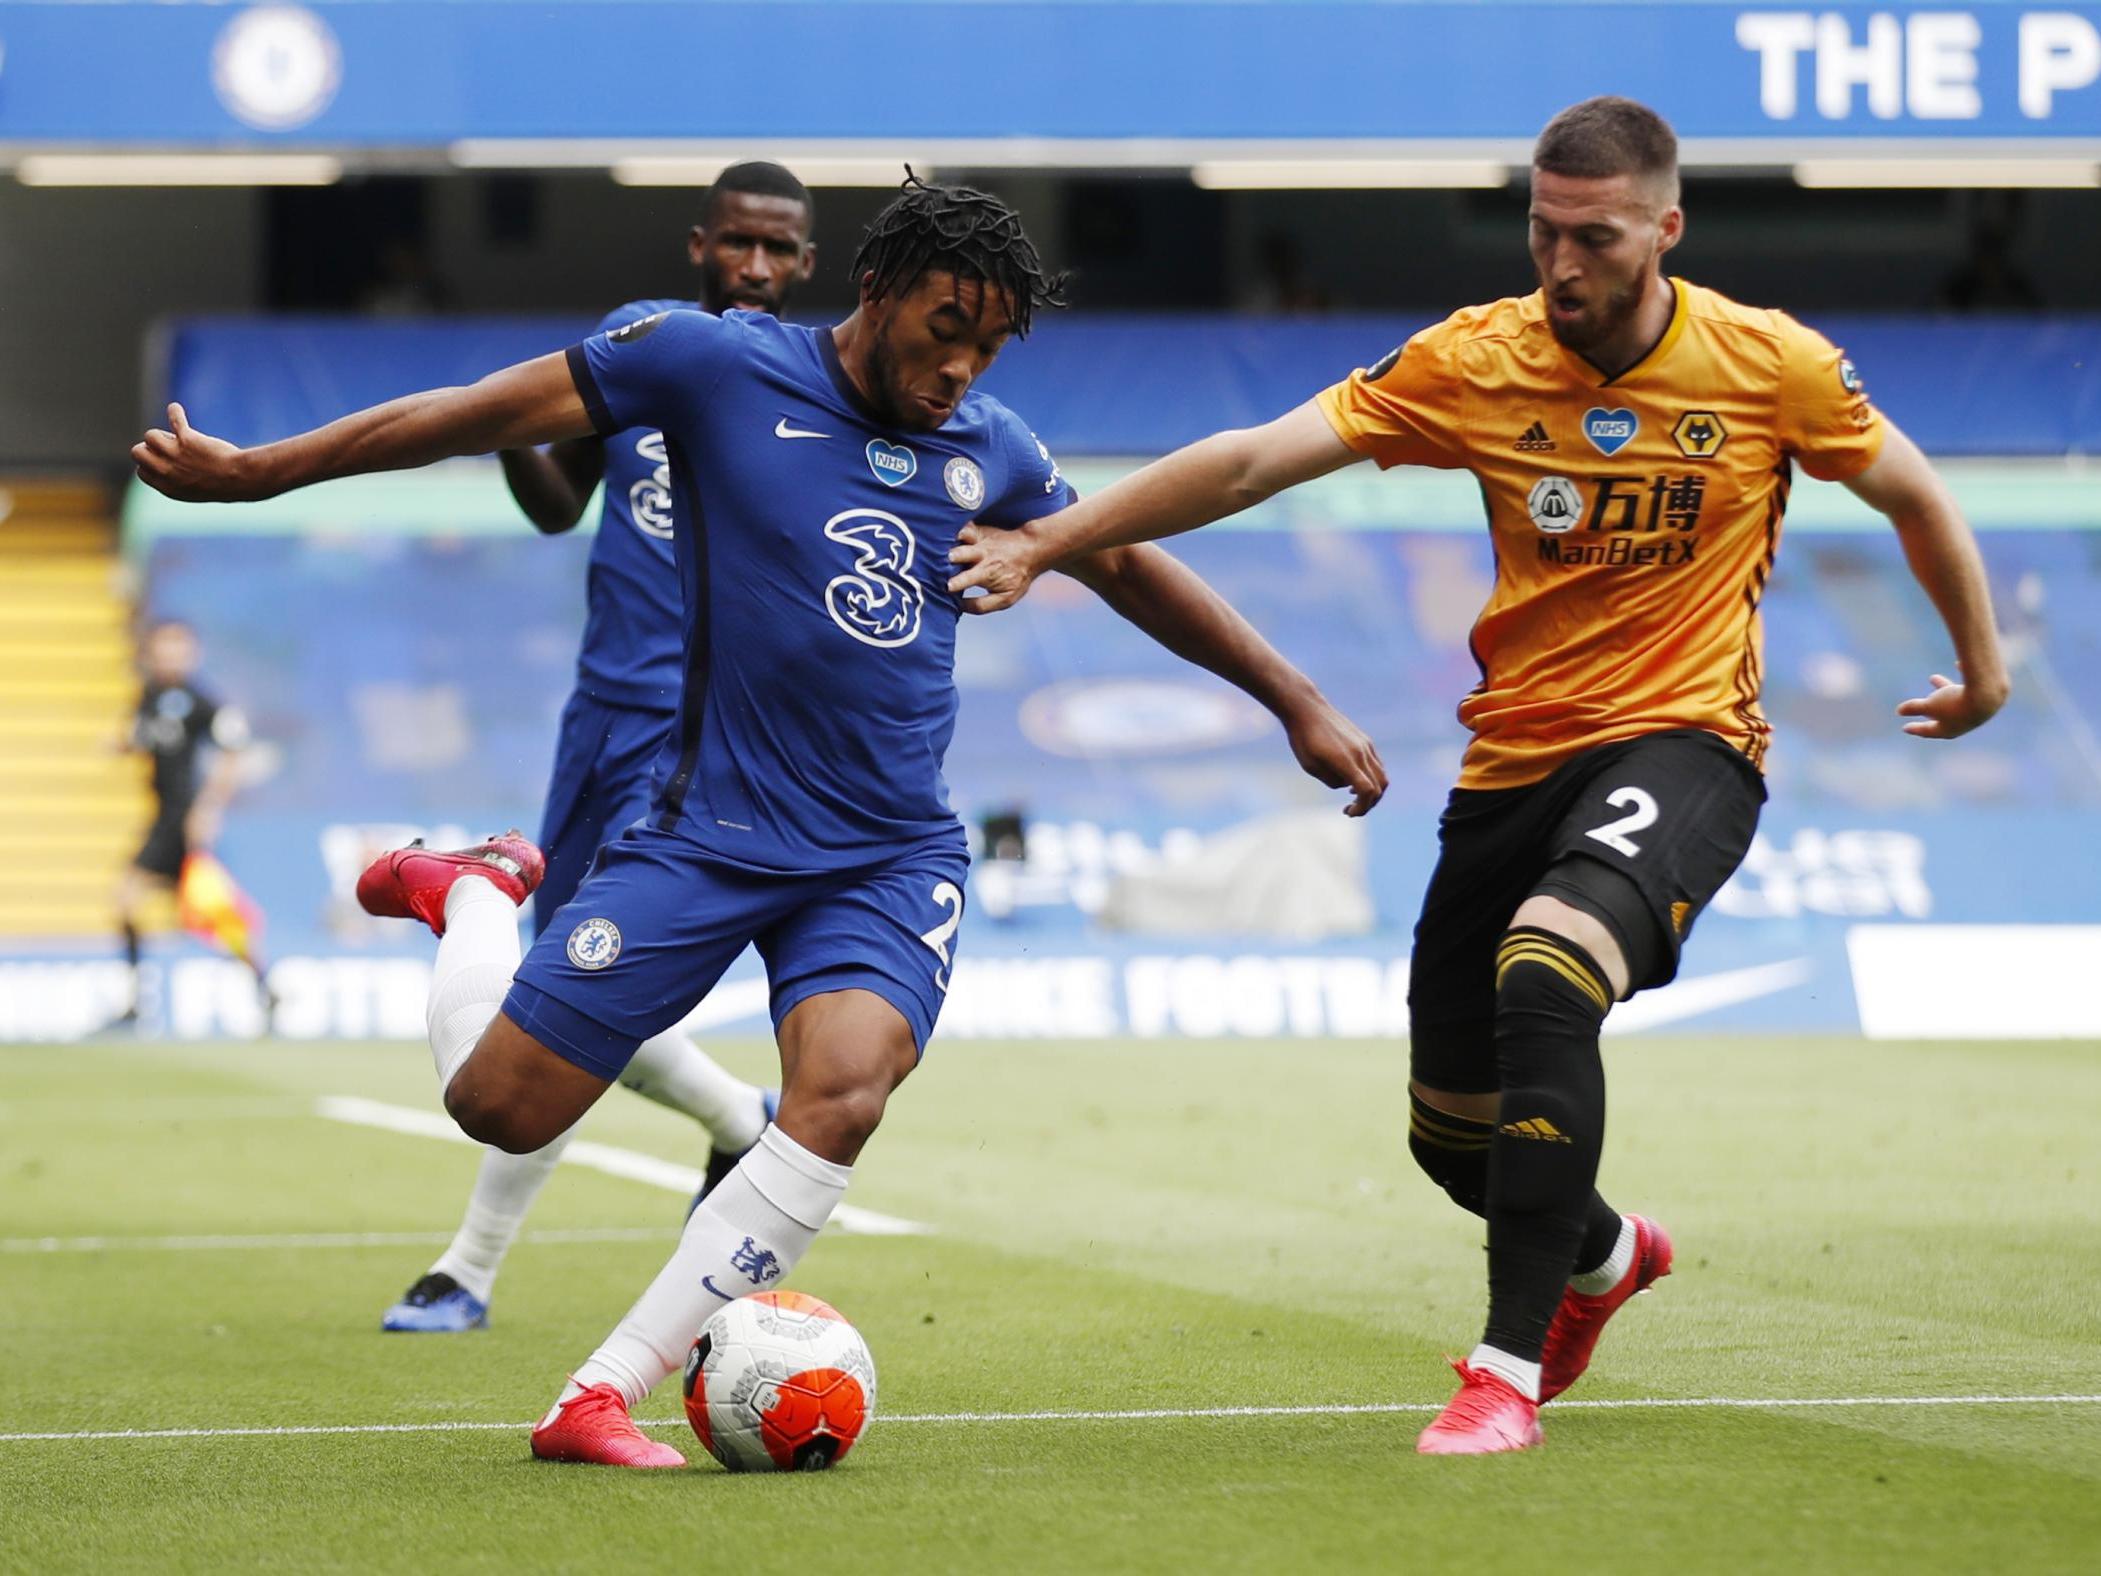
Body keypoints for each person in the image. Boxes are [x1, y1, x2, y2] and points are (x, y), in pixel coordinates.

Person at [132, 172, 1388, 1467]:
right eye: (942, 326)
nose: (960, 365)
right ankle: (473, 892)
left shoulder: (991, 451)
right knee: (498, 1105)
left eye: (988, 342)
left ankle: (598, 1395)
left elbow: (1123, 560)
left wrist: (1292, 699)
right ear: (880, 292)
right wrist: (255, 472)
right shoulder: (710, 368)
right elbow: (472, 416)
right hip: (709, 832)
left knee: (840, 1095)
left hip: (887, 853)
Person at [946, 97, 2009, 1455]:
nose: (1559, 266)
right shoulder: (1477, 358)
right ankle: (1606, 1257)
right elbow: (1254, 459)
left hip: (1687, 744)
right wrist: (1052, 543)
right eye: (1541, 231)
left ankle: (1503, 1373)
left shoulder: (1767, 364)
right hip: (1514, 767)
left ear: (1665, 231)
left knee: (1547, 965)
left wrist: (1980, 673)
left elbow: (1915, 493)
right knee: (1455, 1144)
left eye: (1594, 238)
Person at [378, 161, 816, 1336]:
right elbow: (551, 504)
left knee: (569, 990)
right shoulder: (646, 352)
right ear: (700, 246)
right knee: (575, 989)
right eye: (738, 245)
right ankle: (739, 1122)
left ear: (807, 263)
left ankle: (468, 1268)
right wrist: (504, 412)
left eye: (779, 250)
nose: (758, 269)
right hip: (601, 718)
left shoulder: (817, 384)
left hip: (706, 732)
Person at [109, 619, 269, 1027]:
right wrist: (122, 743)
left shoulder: (202, 701)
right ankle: (265, 988)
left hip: (182, 821)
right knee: (156, 906)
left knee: (182, 908)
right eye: (164, 647)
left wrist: (209, 807)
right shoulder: (150, 695)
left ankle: (263, 987)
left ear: (192, 653)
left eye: (178, 648)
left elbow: (232, 753)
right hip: (162, 817)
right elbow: (142, 736)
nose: (170, 655)